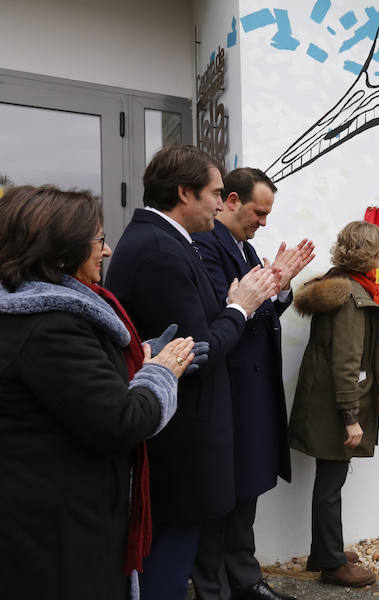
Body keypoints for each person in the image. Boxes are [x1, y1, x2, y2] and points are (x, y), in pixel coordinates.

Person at [0, 185, 194, 600]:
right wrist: (160, 374)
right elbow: (119, 420)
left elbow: (74, 394)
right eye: (99, 240)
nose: (106, 252)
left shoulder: (35, 312)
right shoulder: (49, 325)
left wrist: (134, 363)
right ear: (60, 251)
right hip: (59, 532)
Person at [105, 145, 281, 599]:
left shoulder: (163, 241)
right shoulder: (161, 250)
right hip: (180, 443)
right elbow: (197, 351)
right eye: (216, 194)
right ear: (184, 193)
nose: (222, 205)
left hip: (180, 435)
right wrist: (241, 308)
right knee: (166, 562)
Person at [191, 167, 314, 600]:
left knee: (247, 487)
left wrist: (279, 287)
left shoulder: (243, 247)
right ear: (230, 201)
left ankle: (243, 578)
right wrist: (267, 287)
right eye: (258, 212)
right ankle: (213, 586)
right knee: (223, 493)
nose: (263, 222)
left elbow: (255, 311)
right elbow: (226, 316)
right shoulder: (205, 246)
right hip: (227, 387)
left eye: (267, 214)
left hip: (251, 389)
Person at [289, 220, 379, 587]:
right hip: (335, 406)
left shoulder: (338, 284)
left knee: (329, 479)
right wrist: (352, 417)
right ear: (369, 254)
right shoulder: (352, 298)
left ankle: (325, 550)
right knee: (330, 483)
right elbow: (347, 363)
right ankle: (333, 564)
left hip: (322, 401)